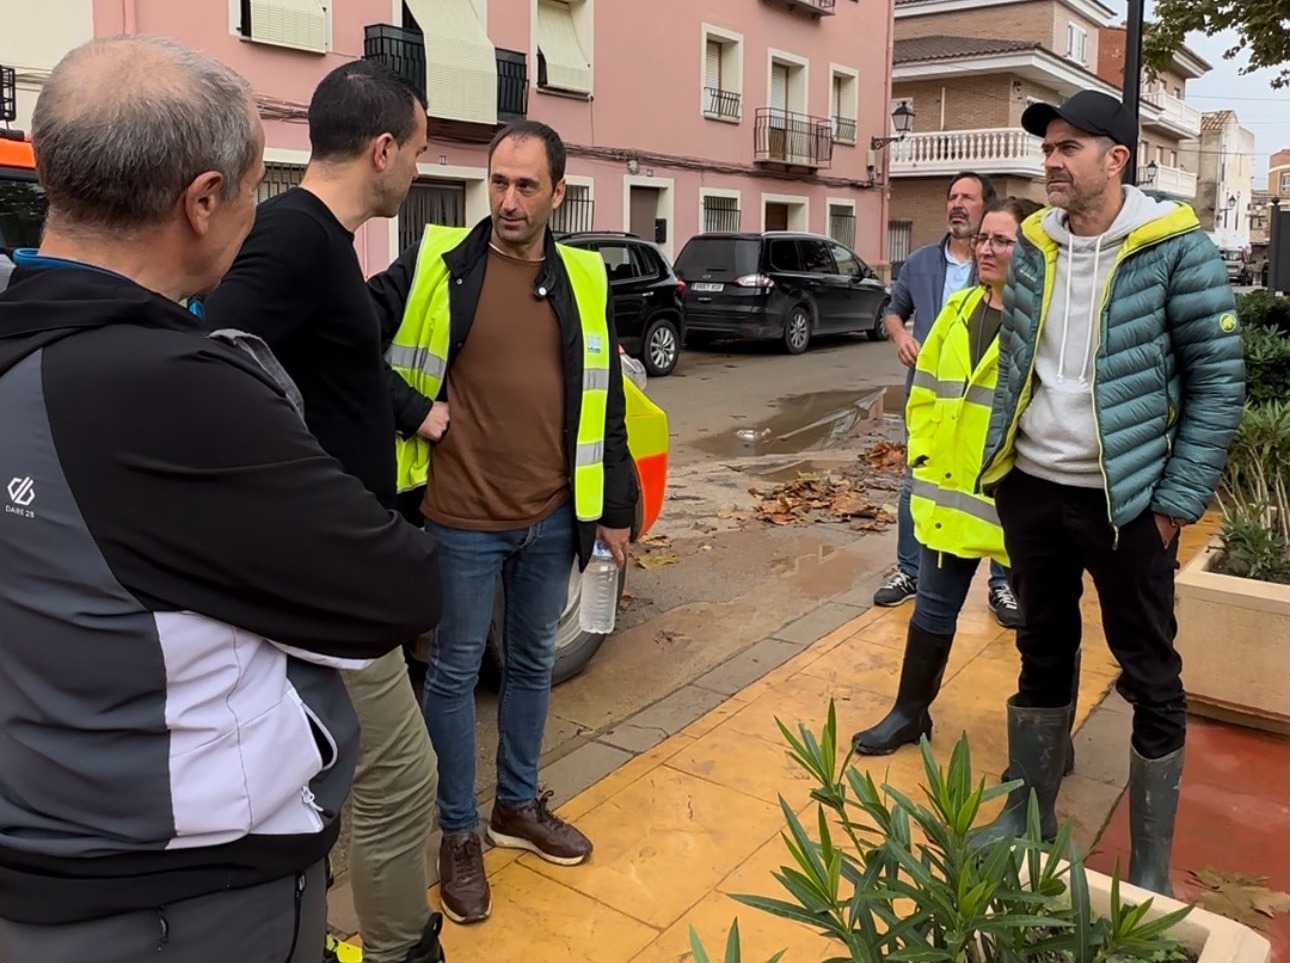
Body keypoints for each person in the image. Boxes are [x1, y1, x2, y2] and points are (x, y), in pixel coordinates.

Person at [0, 36, 442, 963]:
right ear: (201, 202)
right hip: (182, 900)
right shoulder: (169, 391)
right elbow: (397, 588)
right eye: (249, 188)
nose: (254, 214)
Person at [201, 60, 446, 963]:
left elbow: (325, 370)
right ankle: (399, 950)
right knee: (400, 773)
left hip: (335, 563)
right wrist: (302, 501)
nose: (419, 170)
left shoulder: (322, 242)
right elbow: (212, 364)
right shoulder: (292, 238)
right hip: (322, 575)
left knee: (337, 770)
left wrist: (410, 410)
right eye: (418, 153)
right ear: (381, 150)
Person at [973, 91, 1245, 896]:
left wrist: (1173, 501)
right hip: (1033, 491)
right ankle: (1030, 813)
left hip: (1128, 504)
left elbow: (1218, 380)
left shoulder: (1174, 248)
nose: (1052, 161)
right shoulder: (1032, 244)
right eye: (1049, 147)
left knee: (1149, 670)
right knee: (1041, 650)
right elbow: (1019, 361)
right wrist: (1003, 465)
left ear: (1116, 158)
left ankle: (1152, 861)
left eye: (1070, 147)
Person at [369, 119, 637, 925]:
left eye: (527, 186)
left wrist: (615, 509)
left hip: (552, 514)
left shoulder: (586, 278)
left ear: (560, 192)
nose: (509, 200)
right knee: (452, 675)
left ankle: (514, 805)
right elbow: (341, 341)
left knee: (529, 667)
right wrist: (415, 410)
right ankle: (458, 833)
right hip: (459, 519)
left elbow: (607, 398)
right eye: (499, 182)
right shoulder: (437, 263)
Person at [852, 197, 1044, 758]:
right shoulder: (958, 313)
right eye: (984, 238)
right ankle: (909, 713)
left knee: (1041, 629)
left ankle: (1047, 734)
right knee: (933, 612)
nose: (986, 248)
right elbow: (926, 395)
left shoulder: (1045, 323)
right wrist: (923, 459)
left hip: (1023, 508)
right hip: (949, 499)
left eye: (1002, 241)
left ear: (1030, 251)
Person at [874, 172, 1021, 630]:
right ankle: (910, 570)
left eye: (967, 198)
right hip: (934, 396)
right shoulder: (921, 262)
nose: (957, 204)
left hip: (985, 404)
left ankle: (1002, 583)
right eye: (952, 197)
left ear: (986, 207)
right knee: (916, 484)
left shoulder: (999, 272)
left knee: (995, 494)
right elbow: (892, 311)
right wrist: (899, 335)